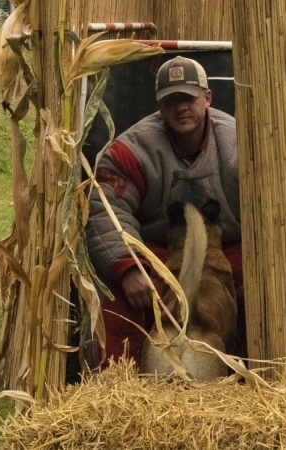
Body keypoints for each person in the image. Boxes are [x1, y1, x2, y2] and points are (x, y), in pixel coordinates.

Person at [85, 56, 244, 369]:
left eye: (188, 98)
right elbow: (107, 208)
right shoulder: (131, 151)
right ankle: (116, 391)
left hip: (229, 250)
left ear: (207, 98)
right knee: (119, 302)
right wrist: (130, 266)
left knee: (263, 293)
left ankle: (258, 382)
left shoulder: (241, 144)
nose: (180, 108)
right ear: (159, 104)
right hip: (159, 254)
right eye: (171, 100)